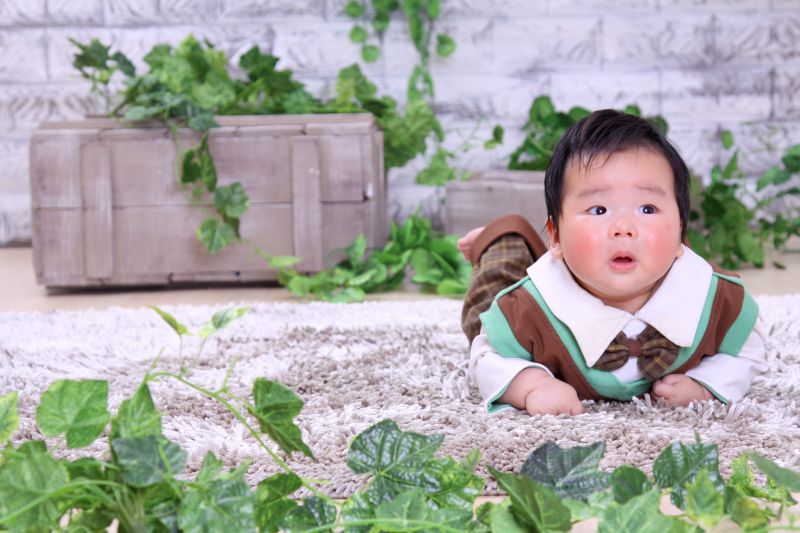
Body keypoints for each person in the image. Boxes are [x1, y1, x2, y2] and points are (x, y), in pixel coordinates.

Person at [461, 109, 767, 416]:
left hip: (586, 258)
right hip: (542, 276)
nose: (624, 227)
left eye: (647, 209)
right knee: (486, 300)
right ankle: (503, 238)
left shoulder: (712, 298)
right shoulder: (524, 308)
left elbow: (748, 348)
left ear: (680, 236)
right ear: (555, 235)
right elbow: (486, 357)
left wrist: (706, 384)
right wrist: (532, 384)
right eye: (598, 210)